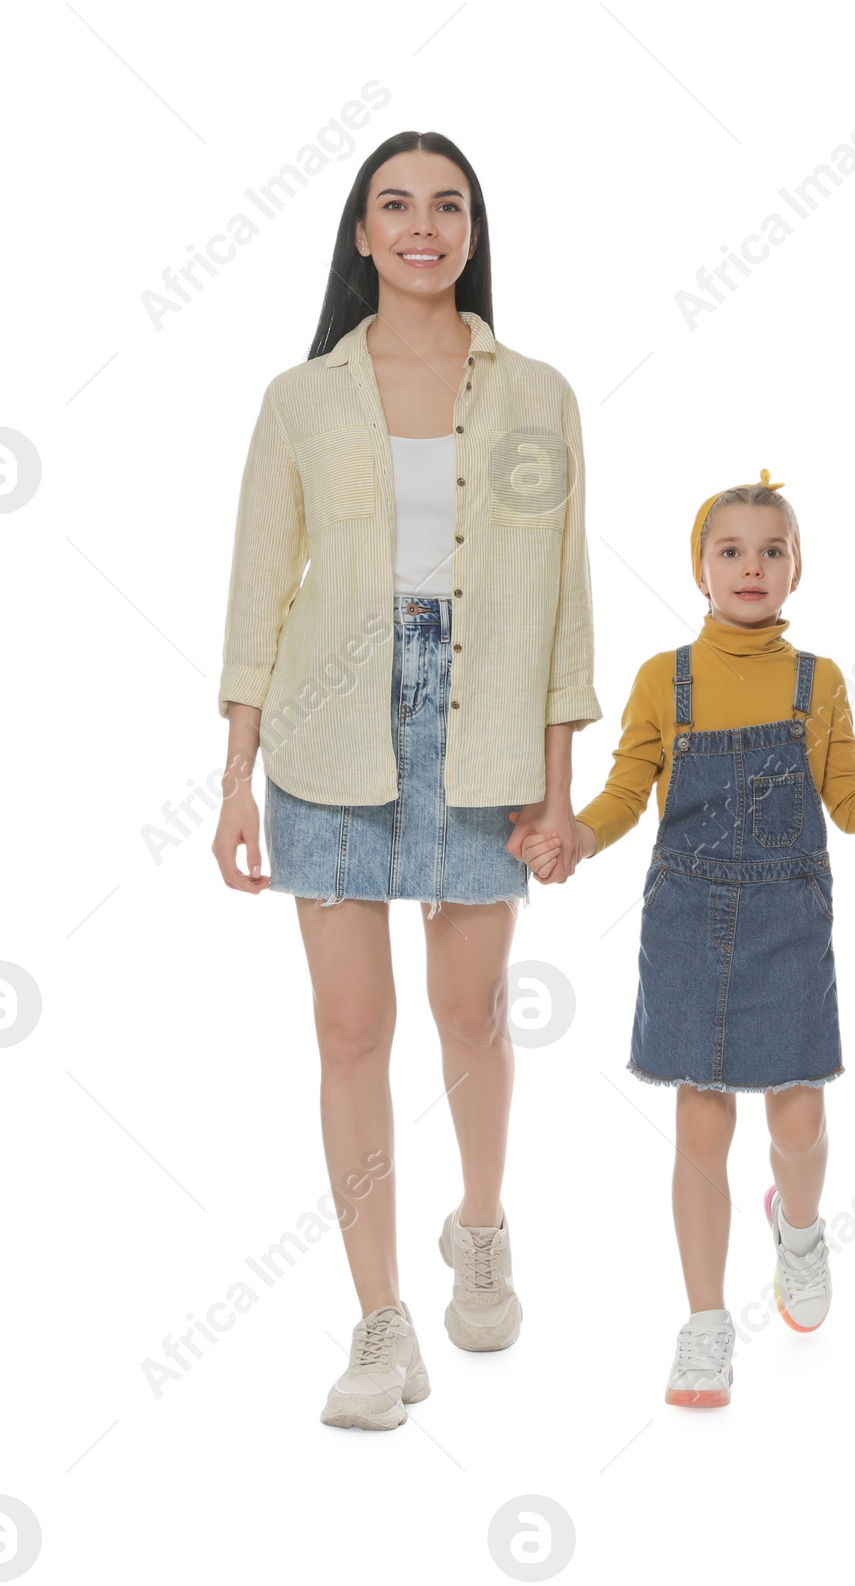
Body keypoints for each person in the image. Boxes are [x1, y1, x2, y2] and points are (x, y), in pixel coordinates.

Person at [211, 131, 600, 1429]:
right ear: (362, 235)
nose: (423, 225)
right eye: (396, 205)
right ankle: (381, 1325)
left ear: (472, 231)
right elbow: (259, 586)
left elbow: (561, 600)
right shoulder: (301, 399)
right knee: (348, 1028)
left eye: (448, 205)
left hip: (485, 721)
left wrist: (560, 786)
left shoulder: (538, 395)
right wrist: (232, 775)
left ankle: (479, 1223)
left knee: (474, 1009)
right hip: (330, 729)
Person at [522, 472, 855, 1406]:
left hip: (787, 922)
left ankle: (801, 1232)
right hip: (686, 920)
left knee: (799, 1119)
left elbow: (849, 808)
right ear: (700, 568)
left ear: (796, 569)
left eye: (771, 550)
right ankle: (703, 1325)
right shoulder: (665, 679)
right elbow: (623, 796)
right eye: (730, 549)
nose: (751, 566)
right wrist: (572, 830)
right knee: (700, 1125)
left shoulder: (819, 681)